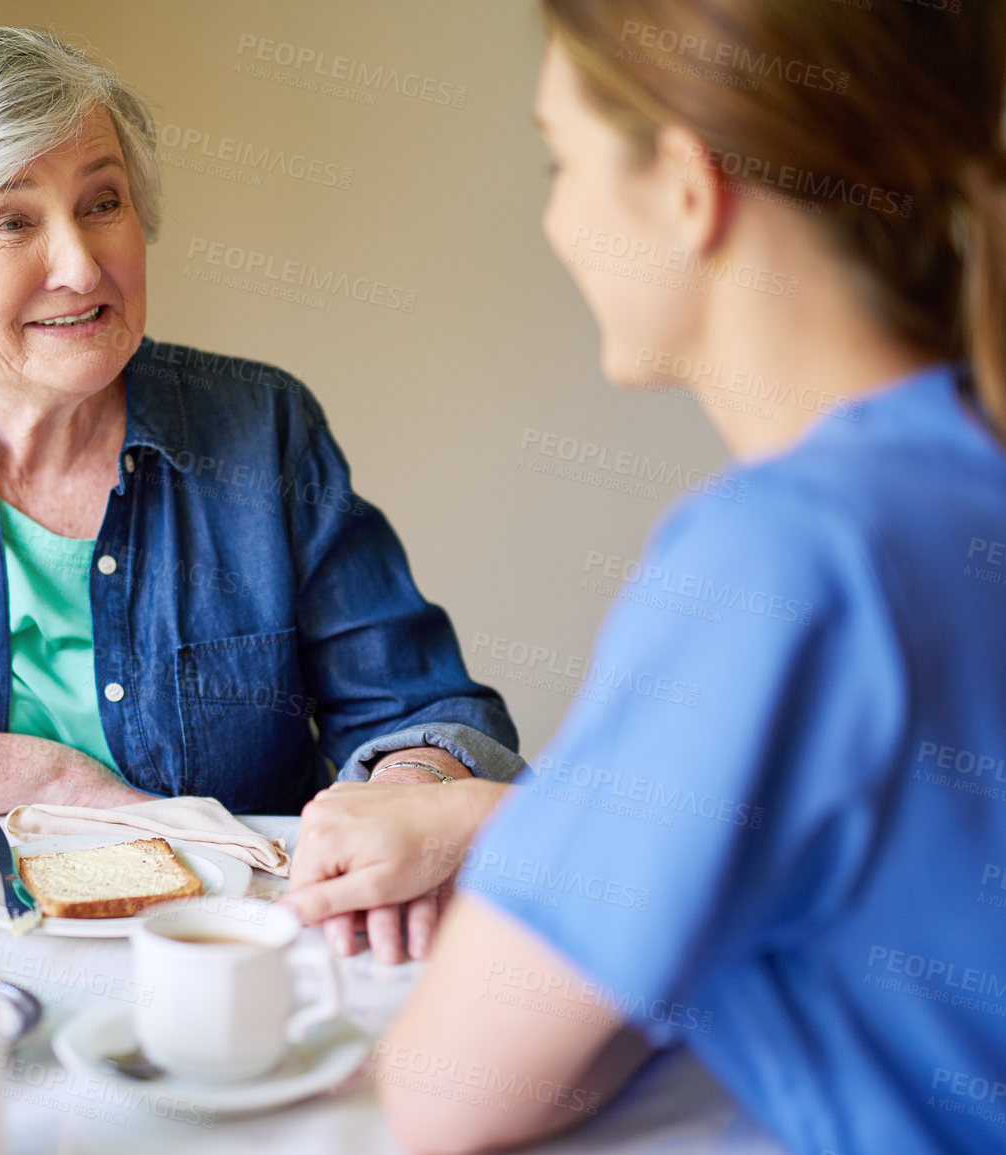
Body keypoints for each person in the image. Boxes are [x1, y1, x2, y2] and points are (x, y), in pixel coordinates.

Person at [284, 3, 1006, 1153]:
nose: (557, 218)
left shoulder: (784, 555)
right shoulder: (963, 468)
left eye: (560, 161)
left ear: (685, 186)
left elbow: (449, 1090)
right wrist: (490, 822)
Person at [0, 20, 523, 821]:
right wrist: (34, 774)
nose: (79, 265)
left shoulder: (260, 428)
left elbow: (429, 711)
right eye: (11, 220)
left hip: (211, 942)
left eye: (102, 203)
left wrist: (408, 795)